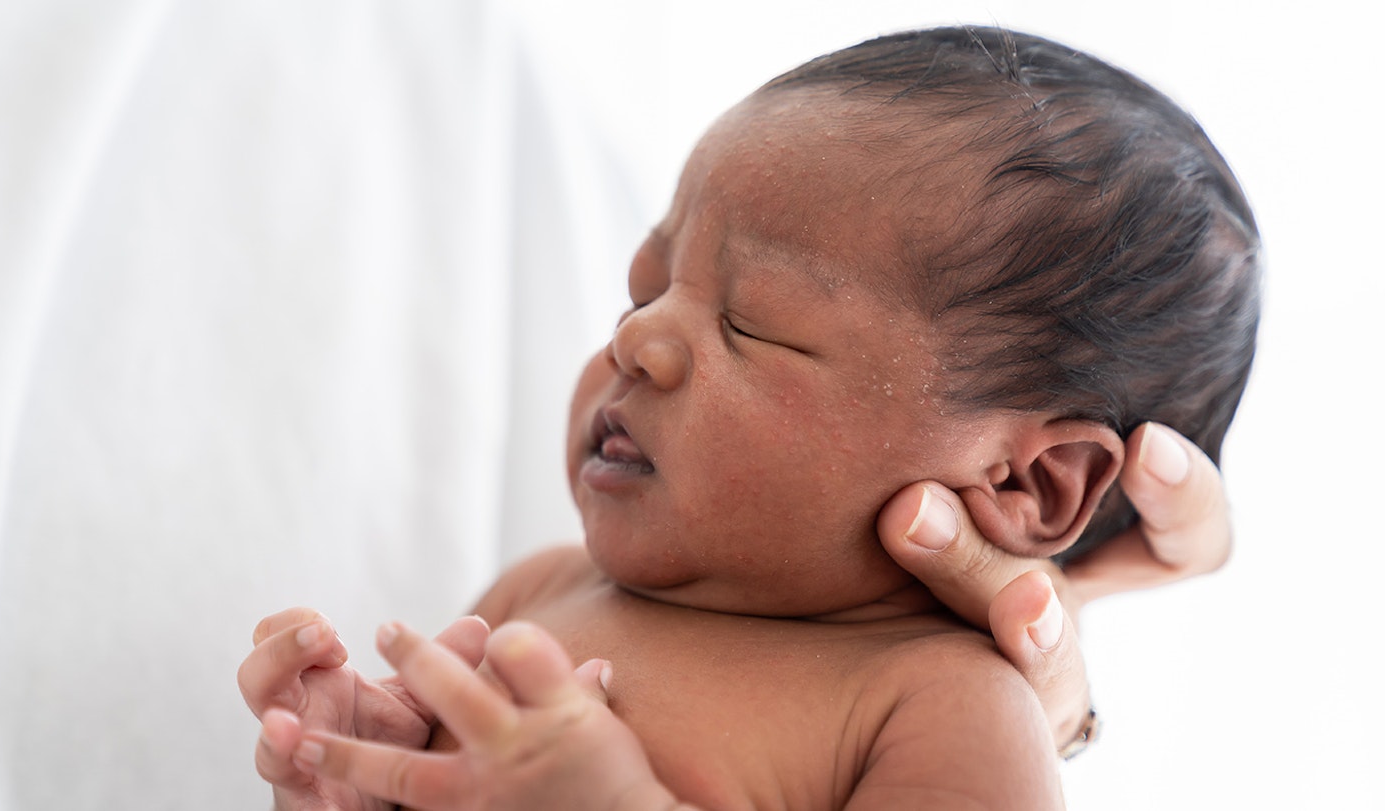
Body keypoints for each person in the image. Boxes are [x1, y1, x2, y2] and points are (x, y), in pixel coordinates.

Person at [239, 26, 1258, 810]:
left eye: (753, 325)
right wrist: (362, 771)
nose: (640, 343)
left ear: (1025, 483)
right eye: (644, 293)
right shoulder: (541, 590)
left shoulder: (940, 709)